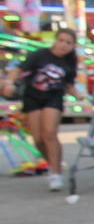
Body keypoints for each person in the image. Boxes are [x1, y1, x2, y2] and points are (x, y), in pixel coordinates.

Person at [3, 28, 78, 190]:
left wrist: (77, 94)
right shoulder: (39, 55)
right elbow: (17, 69)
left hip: (54, 97)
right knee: (38, 138)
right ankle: (53, 164)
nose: (63, 45)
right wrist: (8, 83)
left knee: (49, 133)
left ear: (73, 46)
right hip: (32, 97)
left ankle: (56, 174)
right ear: (55, 40)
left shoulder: (70, 62)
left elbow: (69, 83)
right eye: (61, 40)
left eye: (68, 43)